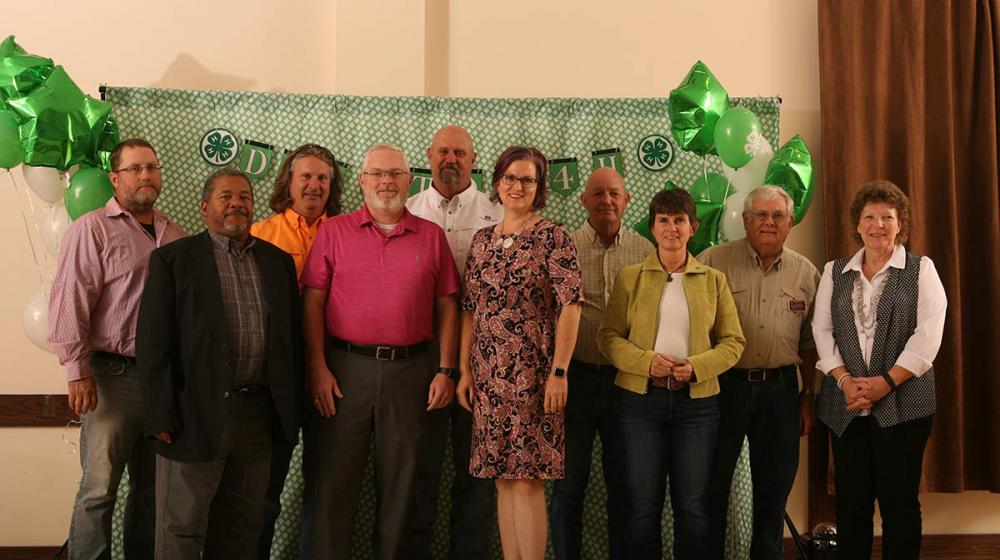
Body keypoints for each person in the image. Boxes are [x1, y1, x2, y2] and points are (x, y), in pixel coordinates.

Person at [301, 142, 460, 559]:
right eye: (377, 174)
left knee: (402, 488)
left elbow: (448, 305)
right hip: (343, 372)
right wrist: (317, 367)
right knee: (333, 484)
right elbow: (312, 301)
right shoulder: (333, 232)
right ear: (361, 180)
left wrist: (446, 369)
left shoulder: (432, 236)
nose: (386, 182)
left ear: (410, 180)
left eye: (394, 174)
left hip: (412, 373)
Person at [136, 167, 302, 559]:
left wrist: (290, 413)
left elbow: (291, 343)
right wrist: (160, 414)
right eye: (226, 196)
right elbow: (153, 344)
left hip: (260, 417)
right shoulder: (173, 261)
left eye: (244, 197)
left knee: (242, 526)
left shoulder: (277, 263)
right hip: (194, 415)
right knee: (182, 527)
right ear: (205, 207)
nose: (237, 204)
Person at [48, 138, 186, 559]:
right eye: (135, 169)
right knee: (98, 489)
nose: (146, 175)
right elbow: (72, 299)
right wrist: (77, 369)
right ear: (115, 178)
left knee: (150, 491)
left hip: (163, 382)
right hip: (110, 377)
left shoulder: (175, 235)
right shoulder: (92, 229)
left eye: (152, 167)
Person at [598, 188, 745, 560]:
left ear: (693, 227)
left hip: (697, 408)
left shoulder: (714, 280)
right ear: (652, 227)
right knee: (643, 506)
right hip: (638, 403)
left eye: (679, 220)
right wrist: (645, 362)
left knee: (693, 507)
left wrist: (697, 367)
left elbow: (733, 342)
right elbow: (609, 337)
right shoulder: (630, 278)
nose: (671, 228)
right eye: (663, 220)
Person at [457, 146, 584, 560]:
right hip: (488, 380)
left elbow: (572, 304)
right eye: (511, 177)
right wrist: (463, 370)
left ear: (539, 187)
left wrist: (559, 372)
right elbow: (469, 311)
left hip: (534, 379)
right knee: (501, 479)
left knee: (527, 480)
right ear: (497, 182)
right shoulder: (480, 242)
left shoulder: (553, 237)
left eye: (527, 179)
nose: (517, 186)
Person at [812, 180, 946, 559]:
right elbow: (821, 330)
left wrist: (886, 383)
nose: (878, 225)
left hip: (905, 406)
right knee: (852, 505)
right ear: (857, 225)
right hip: (846, 406)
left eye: (887, 217)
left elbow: (929, 335)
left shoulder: (921, 270)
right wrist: (843, 380)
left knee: (899, 504)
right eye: (869, 217)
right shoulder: (833, 272)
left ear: (900, 223)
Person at [700, 185, 820, 559]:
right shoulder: (712, 261)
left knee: (773, 490)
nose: (770, 223)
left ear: (791, 222)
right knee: (712, 488)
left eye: (778, 216)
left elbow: (811, 343)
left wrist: (807, 397)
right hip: (723, 389)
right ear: (746, 220)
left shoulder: (807, 274)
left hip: (781, 393)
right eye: (762, 216)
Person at [406, 125, 502, 559]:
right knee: (418, 468)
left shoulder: (497, 213)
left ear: (473, 157)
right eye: (443, 151)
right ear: (428, 156)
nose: (451, 159)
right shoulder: (406, 210)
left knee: (475, 472)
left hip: (484, 357)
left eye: (460, 152)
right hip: (418, 353)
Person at [549, 167, 649, 560]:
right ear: (583, 200)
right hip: (574, 383)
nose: (607, 200)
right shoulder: (564, 247)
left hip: (628, 386)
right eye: (598, 193)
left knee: (625, 487)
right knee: (568, 487)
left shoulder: (645, 251)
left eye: (614, 193)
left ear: (626, 201)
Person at [249, 143, 342, 559]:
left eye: (322, 178)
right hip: (275, 381)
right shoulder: (258, 234)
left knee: (326, 488)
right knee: (263, 489)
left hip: (334, 375)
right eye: (305, 176)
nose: (314, 185)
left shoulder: (346, 233)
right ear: (288, 181)